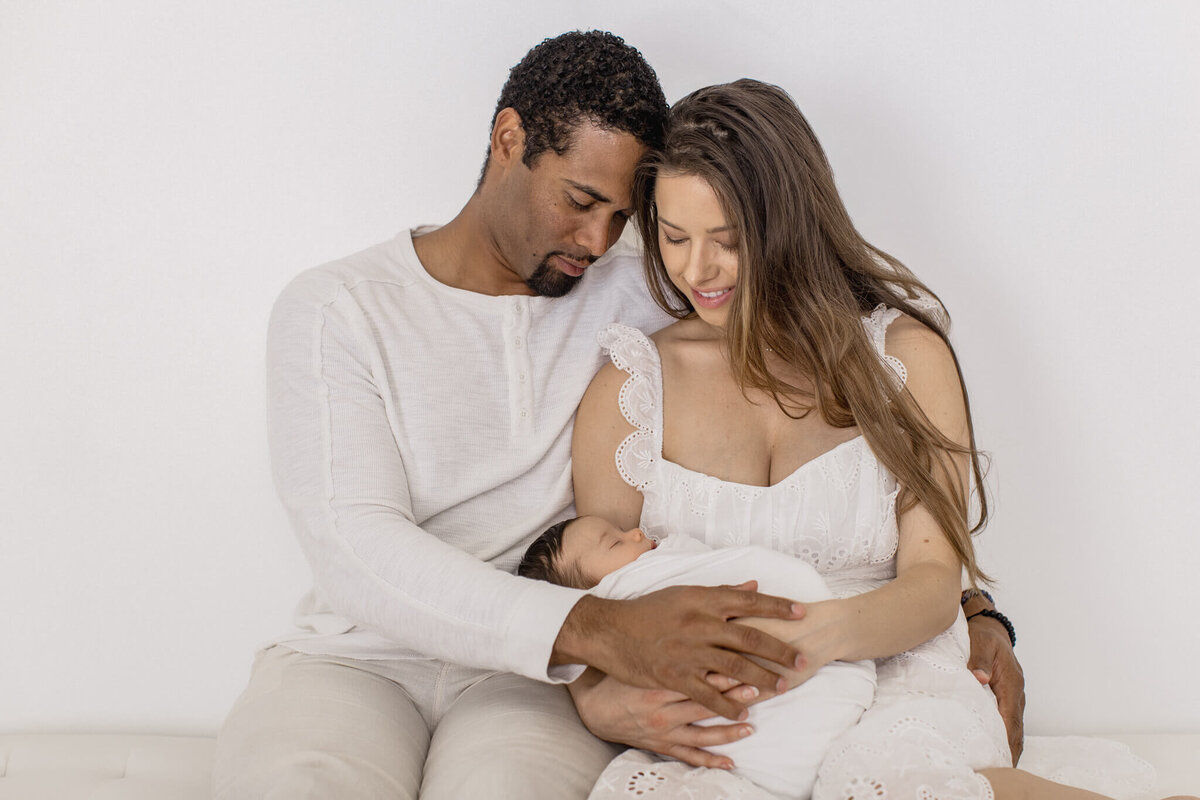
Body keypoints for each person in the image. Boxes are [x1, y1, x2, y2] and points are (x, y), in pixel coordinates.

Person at [212, 31, 1025, 798]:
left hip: (540, 678)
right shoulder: (338, 310)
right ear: (507, 138)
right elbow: (358, 551)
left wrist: (969, 613)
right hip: (365, 657)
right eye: (579, 200)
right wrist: (599, 632)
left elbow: (812, 330)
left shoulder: (657, 282)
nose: (599, 242)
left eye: (623, 218)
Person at [571, 78, 1166, 799]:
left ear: (788, 223)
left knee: (885, 783)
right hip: (731, 698)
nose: (697, 270)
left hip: (897, 672)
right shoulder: (632, 389)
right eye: (674, 238)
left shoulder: (904, 358)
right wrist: (600, 698)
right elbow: (591, 600)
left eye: (728, 241)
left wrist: (814, 639)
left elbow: (932, 582)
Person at [519, 515, 876, 799]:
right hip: (835, 667)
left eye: (623, 531)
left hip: (843, 630)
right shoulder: (624, 591)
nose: (636, 534)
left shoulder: (672, 558)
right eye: (615, 542)